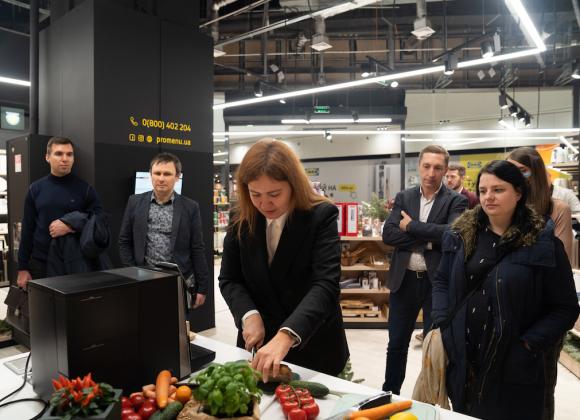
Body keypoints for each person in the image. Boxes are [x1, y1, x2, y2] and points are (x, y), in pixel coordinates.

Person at [432, 160, 579, 420]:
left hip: (514, 368)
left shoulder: (542, 242)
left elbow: (565, 307)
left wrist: (529, 344)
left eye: (498, 190)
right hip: (464, 361)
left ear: (518, 193)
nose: (488, 197)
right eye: (483, 190)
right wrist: (445, 323)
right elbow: (442, 280)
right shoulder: (460, 236)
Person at [218, 139, 349, 380]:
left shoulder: (321, 216)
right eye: (255, 194)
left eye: (274, 194)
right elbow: (229, 278)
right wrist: (248, 314)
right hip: (258, 345)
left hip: (312, 344)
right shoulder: (240, 217)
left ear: (294, 185)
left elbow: (325, 285)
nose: (264, 203)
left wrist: (287, 334)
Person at [381, 145, 468, 394]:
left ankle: (429, 397)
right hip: (404, 281)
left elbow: (453, 234)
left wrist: (411, 227)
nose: (431, 173)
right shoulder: (404, 197)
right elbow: (389, 234)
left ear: (445, 170)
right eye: (426, 166)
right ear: (419, 166)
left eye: (437, 168)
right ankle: (390, 393)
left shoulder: (456, 201)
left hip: (436, 283)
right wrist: (430, 240)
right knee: (396, 344)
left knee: (434, 346)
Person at [506, 147, 575, 420]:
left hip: (543, 318)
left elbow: (559, 265)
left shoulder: (557, 209)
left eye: (521, 171)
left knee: (541, 392)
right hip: (508, 313)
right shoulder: (507, 208)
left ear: (534, 173)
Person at [119, 152, 209, 308]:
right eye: (157, 173)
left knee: (177, 322)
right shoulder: (134, 202)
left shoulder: (190, 207)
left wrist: (203, 286)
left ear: (177, 176)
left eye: (167, 174)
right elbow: (124, 241)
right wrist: (133, 271)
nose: (161, 178)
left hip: (179, 280)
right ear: (150, 174)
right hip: (143, 280)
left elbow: (197, 248)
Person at [17, 137, 103, 289]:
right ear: (47, 157)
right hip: (40, 264)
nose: (65, 159)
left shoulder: (85, 189)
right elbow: (27, 230)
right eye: (58, 154)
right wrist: (22, 268)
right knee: (42, 305)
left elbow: (99, 222)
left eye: (69, 154)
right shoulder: (35, 189)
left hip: (74, 263)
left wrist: (71, 226)